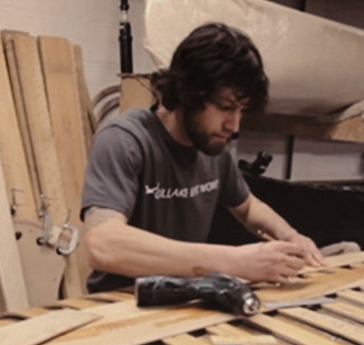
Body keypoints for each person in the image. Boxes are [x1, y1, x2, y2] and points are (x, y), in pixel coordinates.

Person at [80, 22, 325, 293]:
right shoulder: (125, 141)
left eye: (242, 111)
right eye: (225, 108)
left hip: (185, 299)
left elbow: (246, 207)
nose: (234, 126)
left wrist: (289, 236)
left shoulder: (212, 148)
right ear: (188, 93)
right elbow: (102, 244)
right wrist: (235, 261)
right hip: (122, 306)